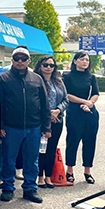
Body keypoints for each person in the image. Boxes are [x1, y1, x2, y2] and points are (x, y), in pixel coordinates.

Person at [0, 46, 51, 204]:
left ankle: (30, 188)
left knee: (32, 160)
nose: (20, 61)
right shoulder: (3, 79)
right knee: (8, 159)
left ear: (29, 61)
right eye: (17, 58)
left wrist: (46, 127)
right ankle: (7, 188)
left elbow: (45, 105)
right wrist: (0, 126)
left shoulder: (37, 79)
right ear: (12, 60)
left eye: (23, 58)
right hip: (11, 128)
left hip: (34, 127)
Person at [63, 51, 100, 184]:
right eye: (82, 59)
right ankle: (70, 170)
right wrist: (84, 102)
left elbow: (95, 94)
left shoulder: (92, 77)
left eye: (87, 60)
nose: (85, 62)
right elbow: (67, 95)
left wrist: (90, 103)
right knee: (73, 141)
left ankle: (87, 171)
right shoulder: (67, 76)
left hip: (90, 113)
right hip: (74, 112)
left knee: (90, 142)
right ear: (75, 61)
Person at [34, 56, 68, 188]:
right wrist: (48, 114)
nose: (48, 68)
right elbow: (35, 101)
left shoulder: (58, 81)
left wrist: (58, 111)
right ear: (40, 66)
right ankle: (40, 177)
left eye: (51, 65)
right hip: (42, 121)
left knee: (51, 149)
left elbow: (66, 99)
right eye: (45, 65)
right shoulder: (36, 80)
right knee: (41, 149)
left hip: (57, 120)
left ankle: (48, 176)